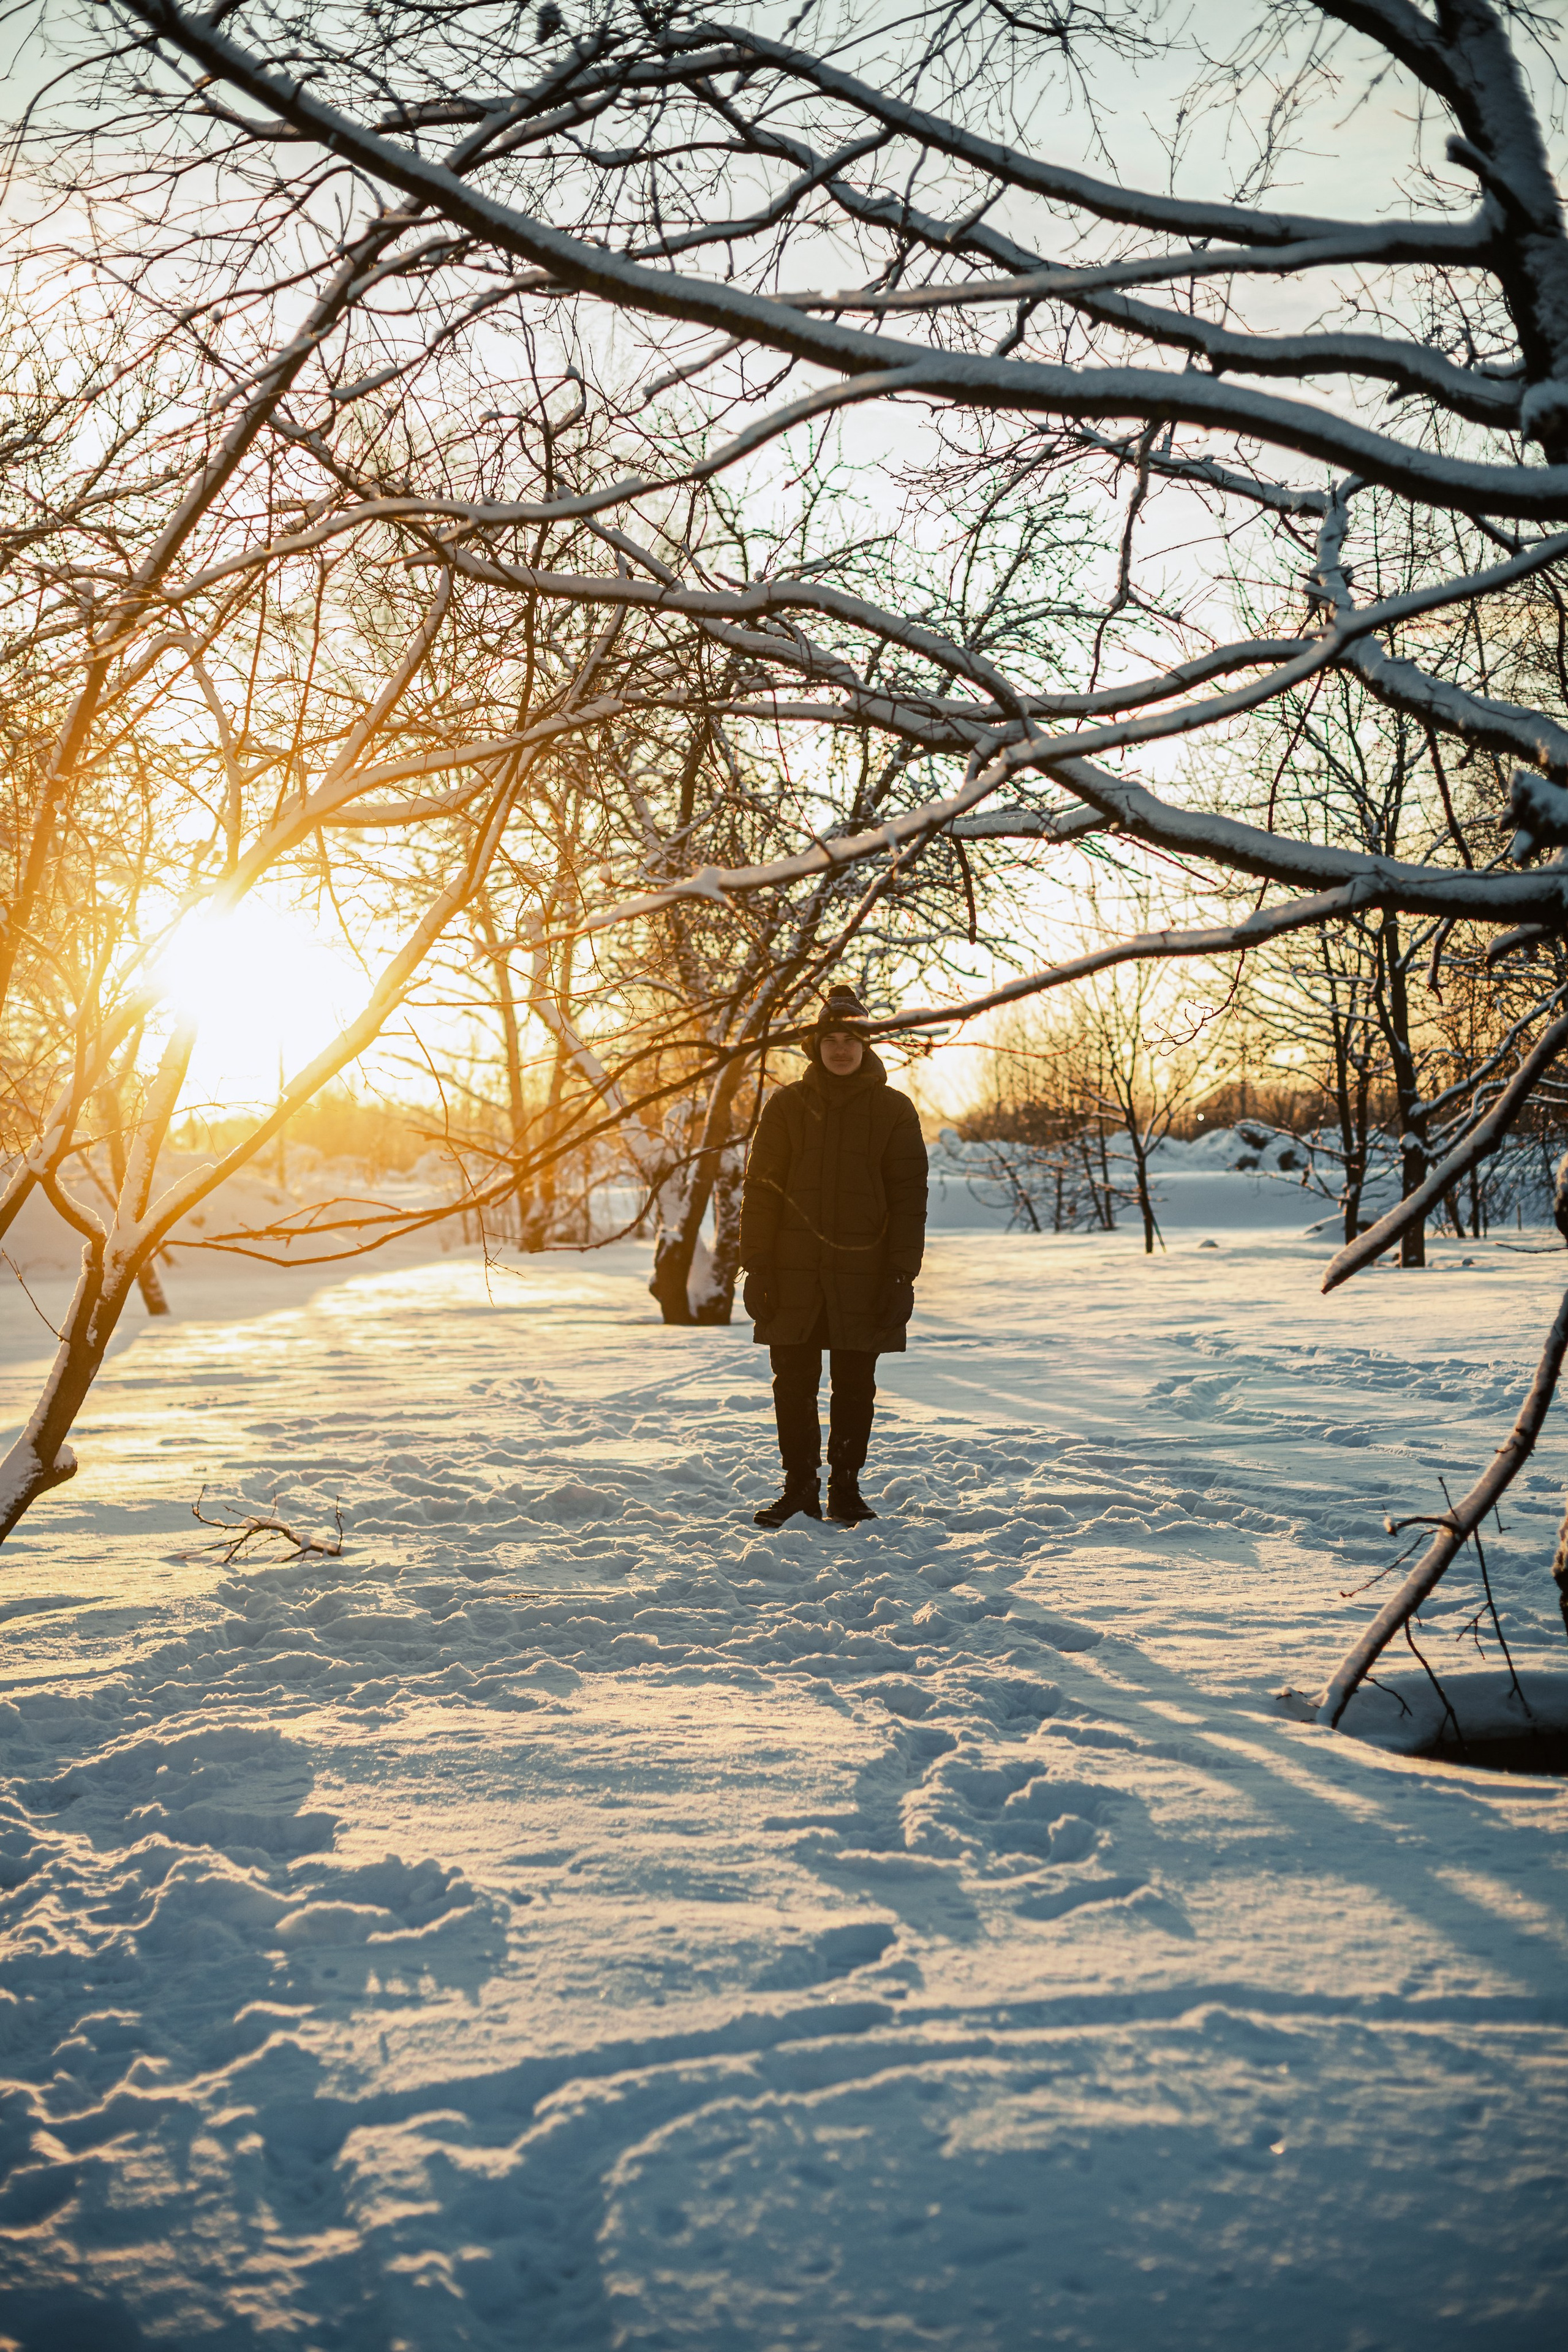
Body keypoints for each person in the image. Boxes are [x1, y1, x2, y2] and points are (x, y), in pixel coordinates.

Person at [739, 985, 929, 1526]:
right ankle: (799, 1489)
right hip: (792, 1275)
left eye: (852, 1039)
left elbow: (909, 1198)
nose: (841, 1049)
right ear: (815, 1045)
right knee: (792, 1384)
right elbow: (761, 1189)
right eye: (832, 1039)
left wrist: (900, 1275)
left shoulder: (894, 1111)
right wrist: (757, 1265)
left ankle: (846, 1489)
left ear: (867, 1046)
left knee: (854, 1386)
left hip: (864, 1276)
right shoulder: (786, 1106)